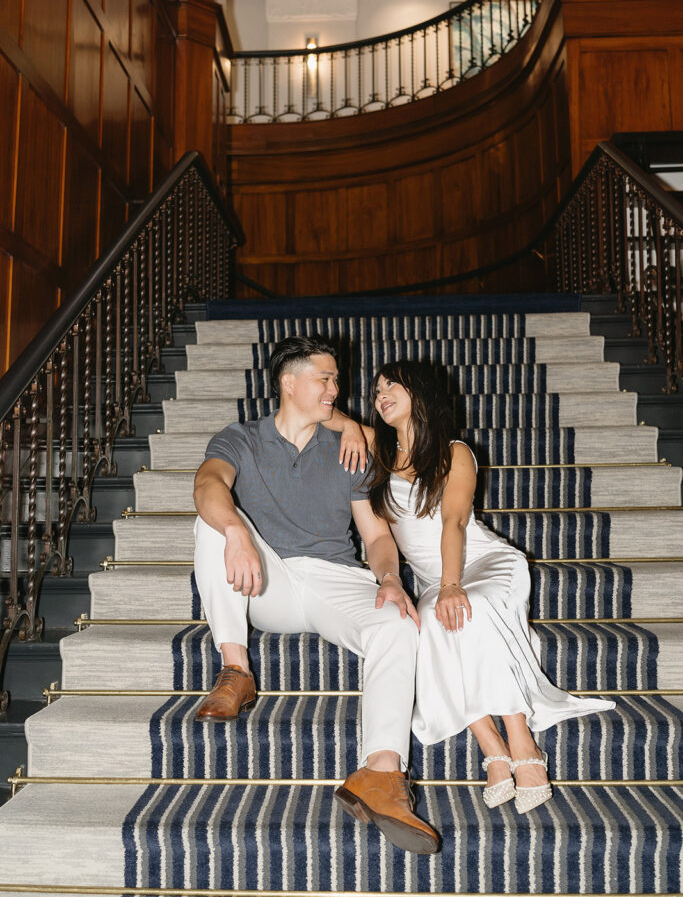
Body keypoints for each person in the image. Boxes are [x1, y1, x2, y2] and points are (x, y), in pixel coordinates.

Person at [192, 337, 439, 853]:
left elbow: (374, 536)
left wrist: (390, 579)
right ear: (288, 382)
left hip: (337, 578)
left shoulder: (351, 446)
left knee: (397, 624)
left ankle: (381, 774)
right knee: (213, 521)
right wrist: (237, 531)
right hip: (268, 578)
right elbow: (208, 483)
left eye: (335, 380)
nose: (336, 389)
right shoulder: (242, 438)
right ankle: (235, 670)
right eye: (325, 379)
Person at [358, 359, 615, 813]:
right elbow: (330, 416)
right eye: (377, 389)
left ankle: (520, 740)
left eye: (392, 384)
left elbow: (454, 520)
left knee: (467, 607)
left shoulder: (453, 452)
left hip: (484, 563)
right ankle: (491, 744)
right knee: (435, 625)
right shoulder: (376, 456)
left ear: (421, 394)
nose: (381, 394)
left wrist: (454, 583)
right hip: (436, 578)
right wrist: (442, 586)